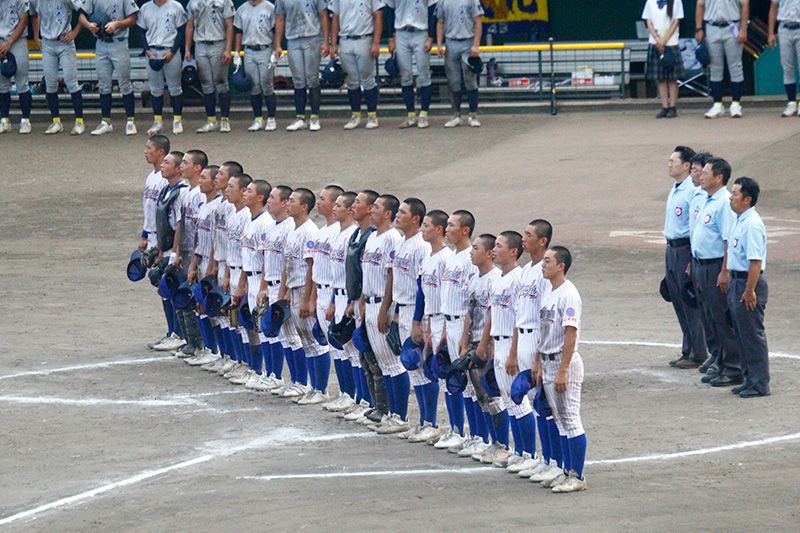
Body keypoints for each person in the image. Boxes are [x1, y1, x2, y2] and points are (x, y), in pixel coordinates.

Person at [536, 246, 587, 493]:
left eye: (548, 261)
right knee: (559, 419)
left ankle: (577, 476)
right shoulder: (549, 292)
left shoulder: (569, 294)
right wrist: (539, 362)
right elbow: (543, 331)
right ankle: (566, 471)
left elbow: (571, 333)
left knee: (570, 419)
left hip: (563, 362)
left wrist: (563, 370)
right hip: (548, 361)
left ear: (560, 266)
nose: (543, 264)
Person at [475, 231, 528, 469]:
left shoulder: (518, 279)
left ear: (513, 251)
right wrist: (488, 345)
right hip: (499, 343)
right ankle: (517, 452)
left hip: (510, 344)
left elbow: (519, 317)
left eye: (499, 246)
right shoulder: (499, 279)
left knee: (518, 402)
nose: (494, 250)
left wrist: (513, 353)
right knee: (507, 399)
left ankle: (527, 454)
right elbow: (492, 315)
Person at [691, 157, 743, 387]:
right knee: (710, 318)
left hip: (715, 267)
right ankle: (722, 362)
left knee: (722, 319)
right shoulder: (708, 199)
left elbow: (727, 240)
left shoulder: (723, 203)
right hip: (702, 265)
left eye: (706, 173)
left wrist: (724, 272)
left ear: (719, 177)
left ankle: (733, 368)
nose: (701, 176)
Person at [508, 220, 553, 476]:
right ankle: (540, 458)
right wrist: (514, 351)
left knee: (544, 404)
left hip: (537, 338)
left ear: (542, 241)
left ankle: (551, 461)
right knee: (534, 403)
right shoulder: (526, 270)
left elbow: (545, 318)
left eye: (528, 235)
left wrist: (538, 358)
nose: (523, 239)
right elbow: (518, 313)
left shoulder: (545, 274)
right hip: (523, 338)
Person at [279, 188, 331, 404]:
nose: (287, 204)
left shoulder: (309, 232)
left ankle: (321, 389)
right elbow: (288, 264)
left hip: (304, 289)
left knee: (315, 341)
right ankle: (311, 386)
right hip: (295, 289)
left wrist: (309, 299)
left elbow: (311, 267)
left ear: (303, 207)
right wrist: (286, 291)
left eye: (292, 201)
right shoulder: (293, 230)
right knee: (305, 341)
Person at [361, 194, 407, 432]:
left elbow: (392, 276)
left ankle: (399, 416)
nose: (371, 210)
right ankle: (387, 412)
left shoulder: (392, 238)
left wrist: (385, 309)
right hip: (369, 303)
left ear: (388, 213)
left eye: (377, 207)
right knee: (382, 363)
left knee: (393, 364)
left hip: (382, 305)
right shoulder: (372, 237)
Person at [390, 198, 432, 439]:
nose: (398, 215)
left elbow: (421, 287)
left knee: (422, 367)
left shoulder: (421, 246)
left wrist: (417, 321)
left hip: (418, 311)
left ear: (415, 219)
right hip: (404, 309)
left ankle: (430, 423)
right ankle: (423, 422)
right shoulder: (402, 243)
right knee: (413, 368)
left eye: (403, 212)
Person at [435, 210, 477, 450]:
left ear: (465, 230)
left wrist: (466, 336)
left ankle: (476, 437)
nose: (447, 229)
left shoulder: (470, 260)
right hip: (448, 323)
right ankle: (457, 430)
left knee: (469, 384)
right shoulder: (451, 257)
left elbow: (472, 301)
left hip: (462, 323)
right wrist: (443, 331)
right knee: (452, 378)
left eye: (451, 225)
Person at [408, 209, 451, 444]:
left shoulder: (446, 259)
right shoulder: (428, 258)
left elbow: (449, 297)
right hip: (430, 318)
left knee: (441, 373)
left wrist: (442, 331)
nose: (422, 230)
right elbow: (421, 293)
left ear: (438, 229)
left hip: (443, 319)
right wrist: (417, 322)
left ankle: (434, 424)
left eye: (426, 226)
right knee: (425, 368)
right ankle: (425, 421)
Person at [663, 146, 708, 369]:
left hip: (684, 249)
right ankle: (688, 348)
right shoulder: (676, 187)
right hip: (671, 249)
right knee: (678, 300)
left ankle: (698, 352)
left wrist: (691, 258)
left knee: (689, 301)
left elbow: (693, 226)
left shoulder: (692, 190)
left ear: (687, 165)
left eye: (673, 161)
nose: (669, 164)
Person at [344, 189, 386, 424]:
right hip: (360, 303)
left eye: (357, 203)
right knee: (365, 359)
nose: (352, 206)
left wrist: (359, 300)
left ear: (369, 209)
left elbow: (370, 275)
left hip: (371, 303)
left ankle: (383, 409)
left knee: (376, 360)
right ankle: (373, 405)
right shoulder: (357, 235)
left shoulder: (371, 236)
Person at [321, 191, 365, 413]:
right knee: (340, 349)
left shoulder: (351, 235)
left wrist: (350, 301)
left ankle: (359, 398)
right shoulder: (339, 234)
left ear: (349, 210)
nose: (334, 208)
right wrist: (331, 301)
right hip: (336, 295)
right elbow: (336, 273)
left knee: (354, 352)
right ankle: (346, 393)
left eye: (339, 205)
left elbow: (354, 274)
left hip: (348, 298)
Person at [727, 177, 770, 397]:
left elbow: (755, 262)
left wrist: (749, 290)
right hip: (737, 281)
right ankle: (748, 378)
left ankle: (759, 383)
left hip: (748, 282)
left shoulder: (752, 224)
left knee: (752, 334)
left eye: (735, 194)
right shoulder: (738, 220)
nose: (730, 197)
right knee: (741, 333)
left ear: (747, 199)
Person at [258, 185, 302, 394]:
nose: (268, 201)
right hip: (271, 286)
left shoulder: (289, 228)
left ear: (284, 203)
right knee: (280, 335)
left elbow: (288, 264)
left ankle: (300, 382)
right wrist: (263, 287)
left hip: (283, 288)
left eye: (272, 198)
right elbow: (266, 261)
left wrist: (284, 292)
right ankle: (285, 379)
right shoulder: (272, 227)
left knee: (292, 337)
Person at [144, 136, 185, 353]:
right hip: (160, 241)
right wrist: (149, 239)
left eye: (149, 148)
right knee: (162, 286)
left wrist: (173, 252)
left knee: (171, 287)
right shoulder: (158, 182)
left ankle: (179, 333)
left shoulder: (176, 188)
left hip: (172, 245)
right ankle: (173, 332)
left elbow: (179, 224)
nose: (145, 151)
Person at [78, 0, 140, 136]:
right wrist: (88, 25)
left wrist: (117, 24)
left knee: (125, 84)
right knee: (103, 85)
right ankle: (106, 122)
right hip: (101, 43)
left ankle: (130, 121)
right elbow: (81, 15)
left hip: (119, 42)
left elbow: (133, 18)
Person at [234, 179, 275, 385]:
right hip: (251, 279)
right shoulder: (250, 220)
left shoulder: (265, 223)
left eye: (248, 191)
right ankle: (255, 369)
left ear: (260, 197)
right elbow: (246, 257)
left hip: (260, 279)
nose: (244, 193)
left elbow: (268, 258)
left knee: (262, 329)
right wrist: (242, 284)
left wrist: (263, 287)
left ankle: (268, 374)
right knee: (250, 326)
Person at [30, 0, 86, 135]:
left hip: (65, 42)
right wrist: (36, 37)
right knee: (50, 83)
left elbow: (84, 11)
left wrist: (75, 32)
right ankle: (56, 122)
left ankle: (79, 122)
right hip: (47, 43)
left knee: (71, 81)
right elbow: (33, 14)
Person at [274, 0, 330, 131]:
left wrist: (326, 41)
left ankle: (314, 117)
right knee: (298, 80)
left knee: (312, 78)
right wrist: (277, 44)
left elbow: (323, 15)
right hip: (293, 39)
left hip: (312, 37)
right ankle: (300, 117)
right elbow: (280, 19)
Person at [311, 186, 344, 401]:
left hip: (334, 294)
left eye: (323, 199)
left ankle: (349, 395)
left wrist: (331, 300)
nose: (318, 203)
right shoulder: (321, 231)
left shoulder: (339, 233)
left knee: (344, 350)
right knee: (334, 348)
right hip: (321, 293)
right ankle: (344, 394)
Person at [329, 0, 384, 129]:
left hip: (364, 38)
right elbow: (335, 17)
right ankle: (355, 115)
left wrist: (376, 42)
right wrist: (333, 44)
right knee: (352, 80)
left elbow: (378, 16)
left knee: (368, 79)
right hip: (345, 39)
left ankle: (372, 116)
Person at [137, 0, 188, 135]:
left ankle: (177, 120)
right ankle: (157, 121)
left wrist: (173, 51)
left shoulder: (176, 6)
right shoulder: (145, 8)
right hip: (152, 51)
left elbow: (181, 31)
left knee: (175, 88)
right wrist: (147, 50)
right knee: (155, 89)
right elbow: (141, 31)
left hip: (170, 50)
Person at [385, 0, 438, 129]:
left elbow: (433, 11)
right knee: (405, 75)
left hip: (421, 31)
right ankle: (411, 115)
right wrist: (391, 38)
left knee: (424, 75)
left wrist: (431, 37)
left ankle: (424, 114)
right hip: (401, 32)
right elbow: (389, 11)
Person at [185, 0, 234, 133]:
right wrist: (187, 48)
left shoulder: (224, 1)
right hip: (200, 44)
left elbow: (229, 25)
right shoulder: (193, 2)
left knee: (221, 83)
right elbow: (190, 25)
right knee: (206, 84)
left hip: (218, 43)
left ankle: (225, 120)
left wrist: (228, 49)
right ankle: (211, 120)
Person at [695, 0, 749, 118]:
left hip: (732, 25)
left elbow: (745, 4)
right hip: (712, 26)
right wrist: (698, 28)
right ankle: (717, 104)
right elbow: (700, 5)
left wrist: (743, 28)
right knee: (715, 67)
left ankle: (736, 104)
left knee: (735, 66)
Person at [435, 0, 483, 127]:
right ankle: (456, 115)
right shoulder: (443, 1)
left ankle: (473, 115)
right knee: (453, 81)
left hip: (468, 41)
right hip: (451, 42)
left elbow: (478, 21)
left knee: (470, 80)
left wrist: (476, 45)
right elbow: (440, 22)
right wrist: (439, 44)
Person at [233, 0, 278, 132]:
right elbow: (238, 32)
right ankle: (258, 118)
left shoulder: (269, 7)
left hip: (265, 48)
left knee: (267, 84)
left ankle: (271, 118)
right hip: (249, 50)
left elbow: (276, 31)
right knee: (254, 86)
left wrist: (275, 50)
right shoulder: (242, 9)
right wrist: (237, 52)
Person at [642, 0, 685, 118]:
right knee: (660, 78)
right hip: (655, 43)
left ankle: (673, 107)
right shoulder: (650, 2)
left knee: (672, 78)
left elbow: (676, 21)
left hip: (671, 43)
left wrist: (664, 40)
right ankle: (665, 107)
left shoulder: (676, 1)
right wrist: (657, 38)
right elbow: (648, 21)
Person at [0, 0, 33, 134]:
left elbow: (24, 22)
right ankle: (4, 120)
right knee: (2, 84)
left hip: (18, 41)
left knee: (22, 83)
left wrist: (9, 43)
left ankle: (25, 120)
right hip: (1, 41)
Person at [768, 0, 800, 116]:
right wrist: (771, 33)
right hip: (784, 27)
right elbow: (773, 7)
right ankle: (791, 102)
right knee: (787, 67)